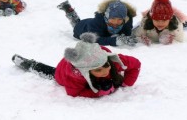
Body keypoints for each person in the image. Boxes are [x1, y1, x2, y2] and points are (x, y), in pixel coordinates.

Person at [12, 32, 141, 98]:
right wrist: (97, 93)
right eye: (98, 70)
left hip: (87, 57)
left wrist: (126, 83)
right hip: (63, 72)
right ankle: (29, 64)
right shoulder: (75, 77)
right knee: (51, 73)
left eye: (105, 66)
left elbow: (136, 65)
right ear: (86, 72)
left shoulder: (111, 61)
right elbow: (74, 93)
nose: (105, 72)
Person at [57, 0, 137, 47]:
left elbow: (127, 33)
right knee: (76, 23)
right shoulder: (97, 22)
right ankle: (69, 10)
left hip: (94, 24)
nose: (116, 22)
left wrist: (127, 38)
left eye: (120, 19)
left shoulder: (127, 19)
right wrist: (115, 41)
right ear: (106, 16)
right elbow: (96, 40)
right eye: (113, 18)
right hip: (83, 28)